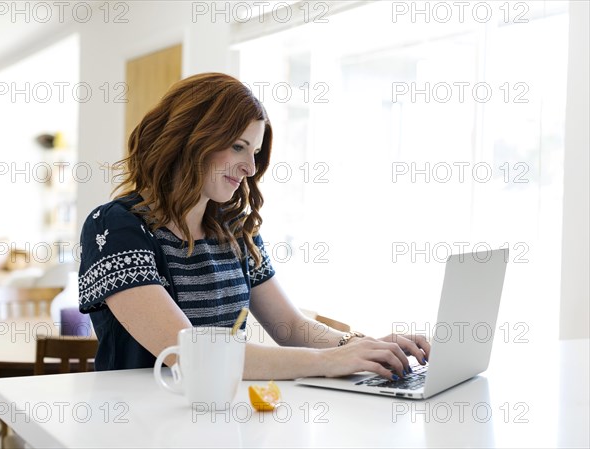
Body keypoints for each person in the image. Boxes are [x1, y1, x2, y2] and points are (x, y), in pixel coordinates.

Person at [78, 72, 430, 380]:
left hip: (218, 417)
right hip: (136, 425)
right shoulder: (114, 227)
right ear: (190, 137)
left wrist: (364, 346)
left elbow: (291, 327)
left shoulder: (233, 227)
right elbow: (193, 354)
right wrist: (329, 360)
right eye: (238, 147)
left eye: (255, 152)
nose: (250, 166)